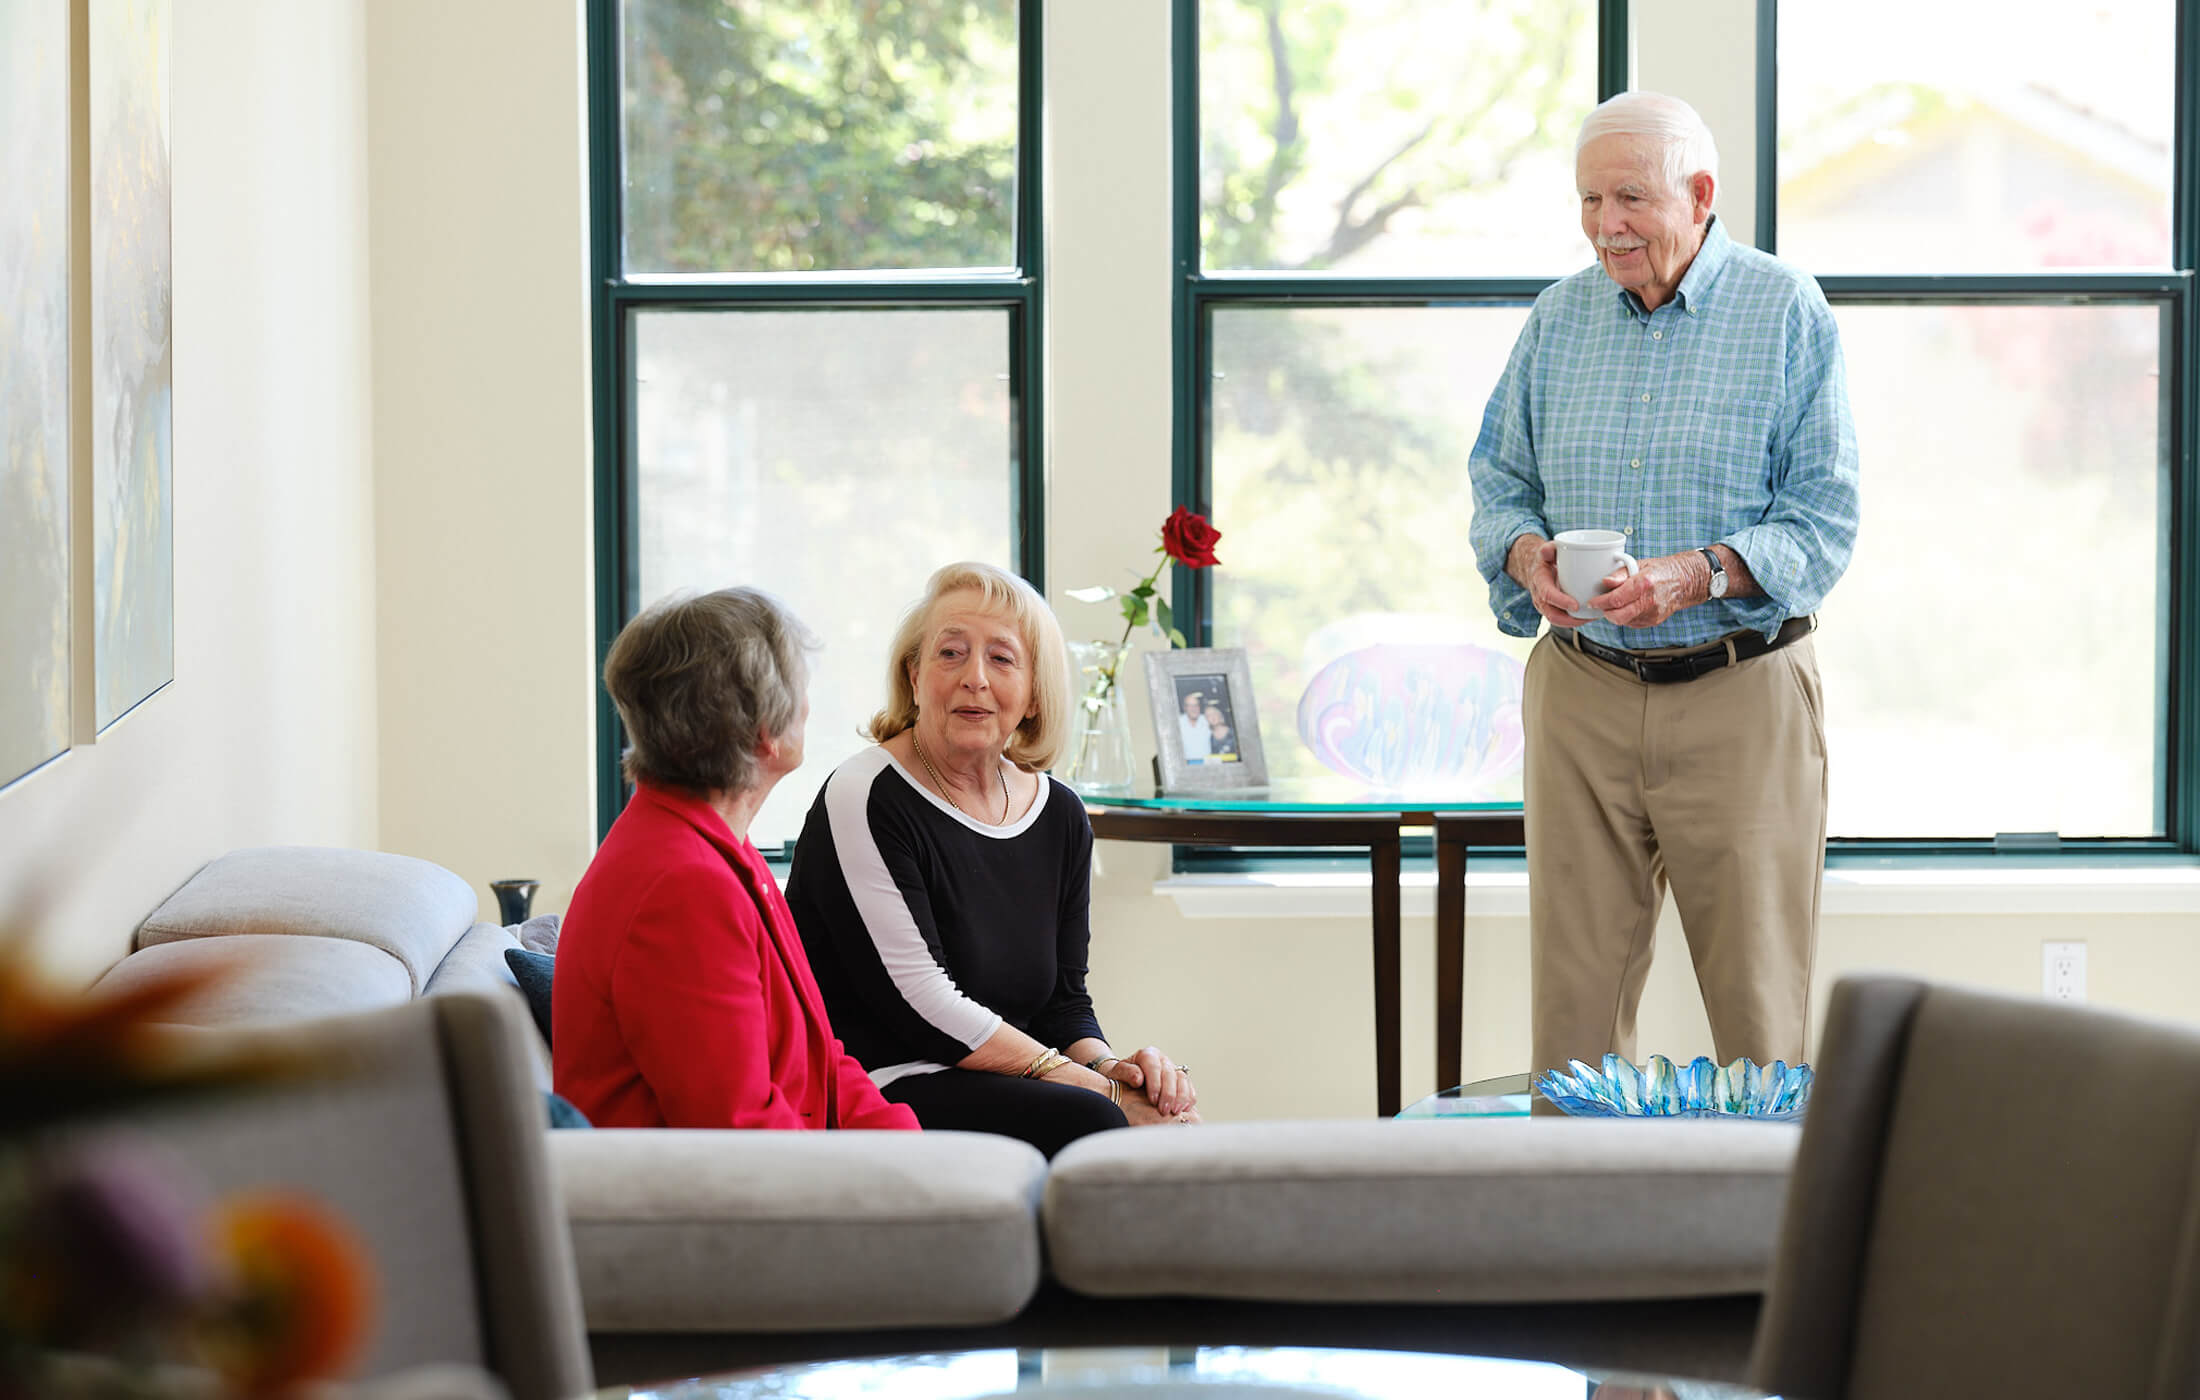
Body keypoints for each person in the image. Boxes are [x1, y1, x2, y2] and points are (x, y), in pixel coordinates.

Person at [1467, 92, 1860, 1079]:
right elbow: (1498, 482)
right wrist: (1527, 557)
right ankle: (1574, 1230)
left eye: (1629, 198)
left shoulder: (1783, 310)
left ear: (1699, 194)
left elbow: (1823, 519)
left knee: (1758, 1011)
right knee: (1573, 1017)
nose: (1606, 226)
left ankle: (1769, 1230)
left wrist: (1697, 574)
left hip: (1741, 691)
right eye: (1589, 200)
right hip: (1581, 691)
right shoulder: (1558, 319)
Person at [786, 561, 1199, 1157]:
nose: (974, 677)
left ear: (1034, 693)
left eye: (1002, 659)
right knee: (1099, 1125)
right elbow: (921, 1003)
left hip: (1017, 1077)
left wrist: (1123, 1071)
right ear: (914, 676)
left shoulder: (1059, 812)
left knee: (1166, 1116)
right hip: (881, 1083)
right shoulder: (864, 793)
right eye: (950, 653)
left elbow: (1063, 1002)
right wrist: (1104, 1093)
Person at [554, 587, 920, 1134]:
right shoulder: (685, 886)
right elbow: (741, 1132)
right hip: (701, 1205)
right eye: (801, 689)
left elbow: (820, 1059)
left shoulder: (709, 845)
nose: (810, 705)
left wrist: (913, 1152)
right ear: (762, 732)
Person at [1177, 687, 1213, 760]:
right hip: (1186, 766)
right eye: (1190, 705)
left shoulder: (1206, 719)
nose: (1194, 708)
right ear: (1184, 708)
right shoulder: (1178, 723)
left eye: (1196, 705)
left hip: (1207, 765)